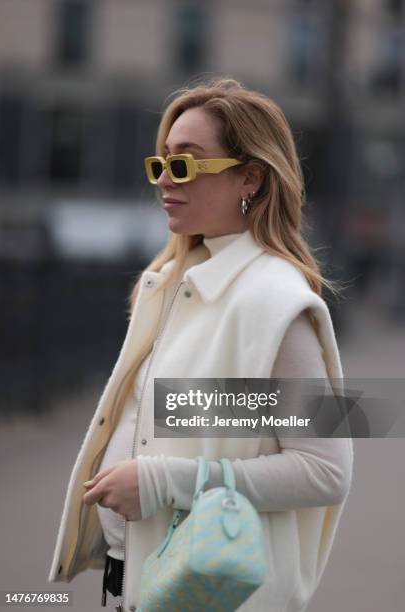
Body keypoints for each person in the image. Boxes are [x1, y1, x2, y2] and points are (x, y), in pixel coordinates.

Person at [48, 77, 353, 612]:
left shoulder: (276, 302)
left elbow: (325, 470)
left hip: (214, 595)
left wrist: (165, 480)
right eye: (160, 163)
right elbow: (202, 418)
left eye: (185, 163)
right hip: (144, 583)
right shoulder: (169, 282)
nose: (165, 178)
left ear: (250, 178)